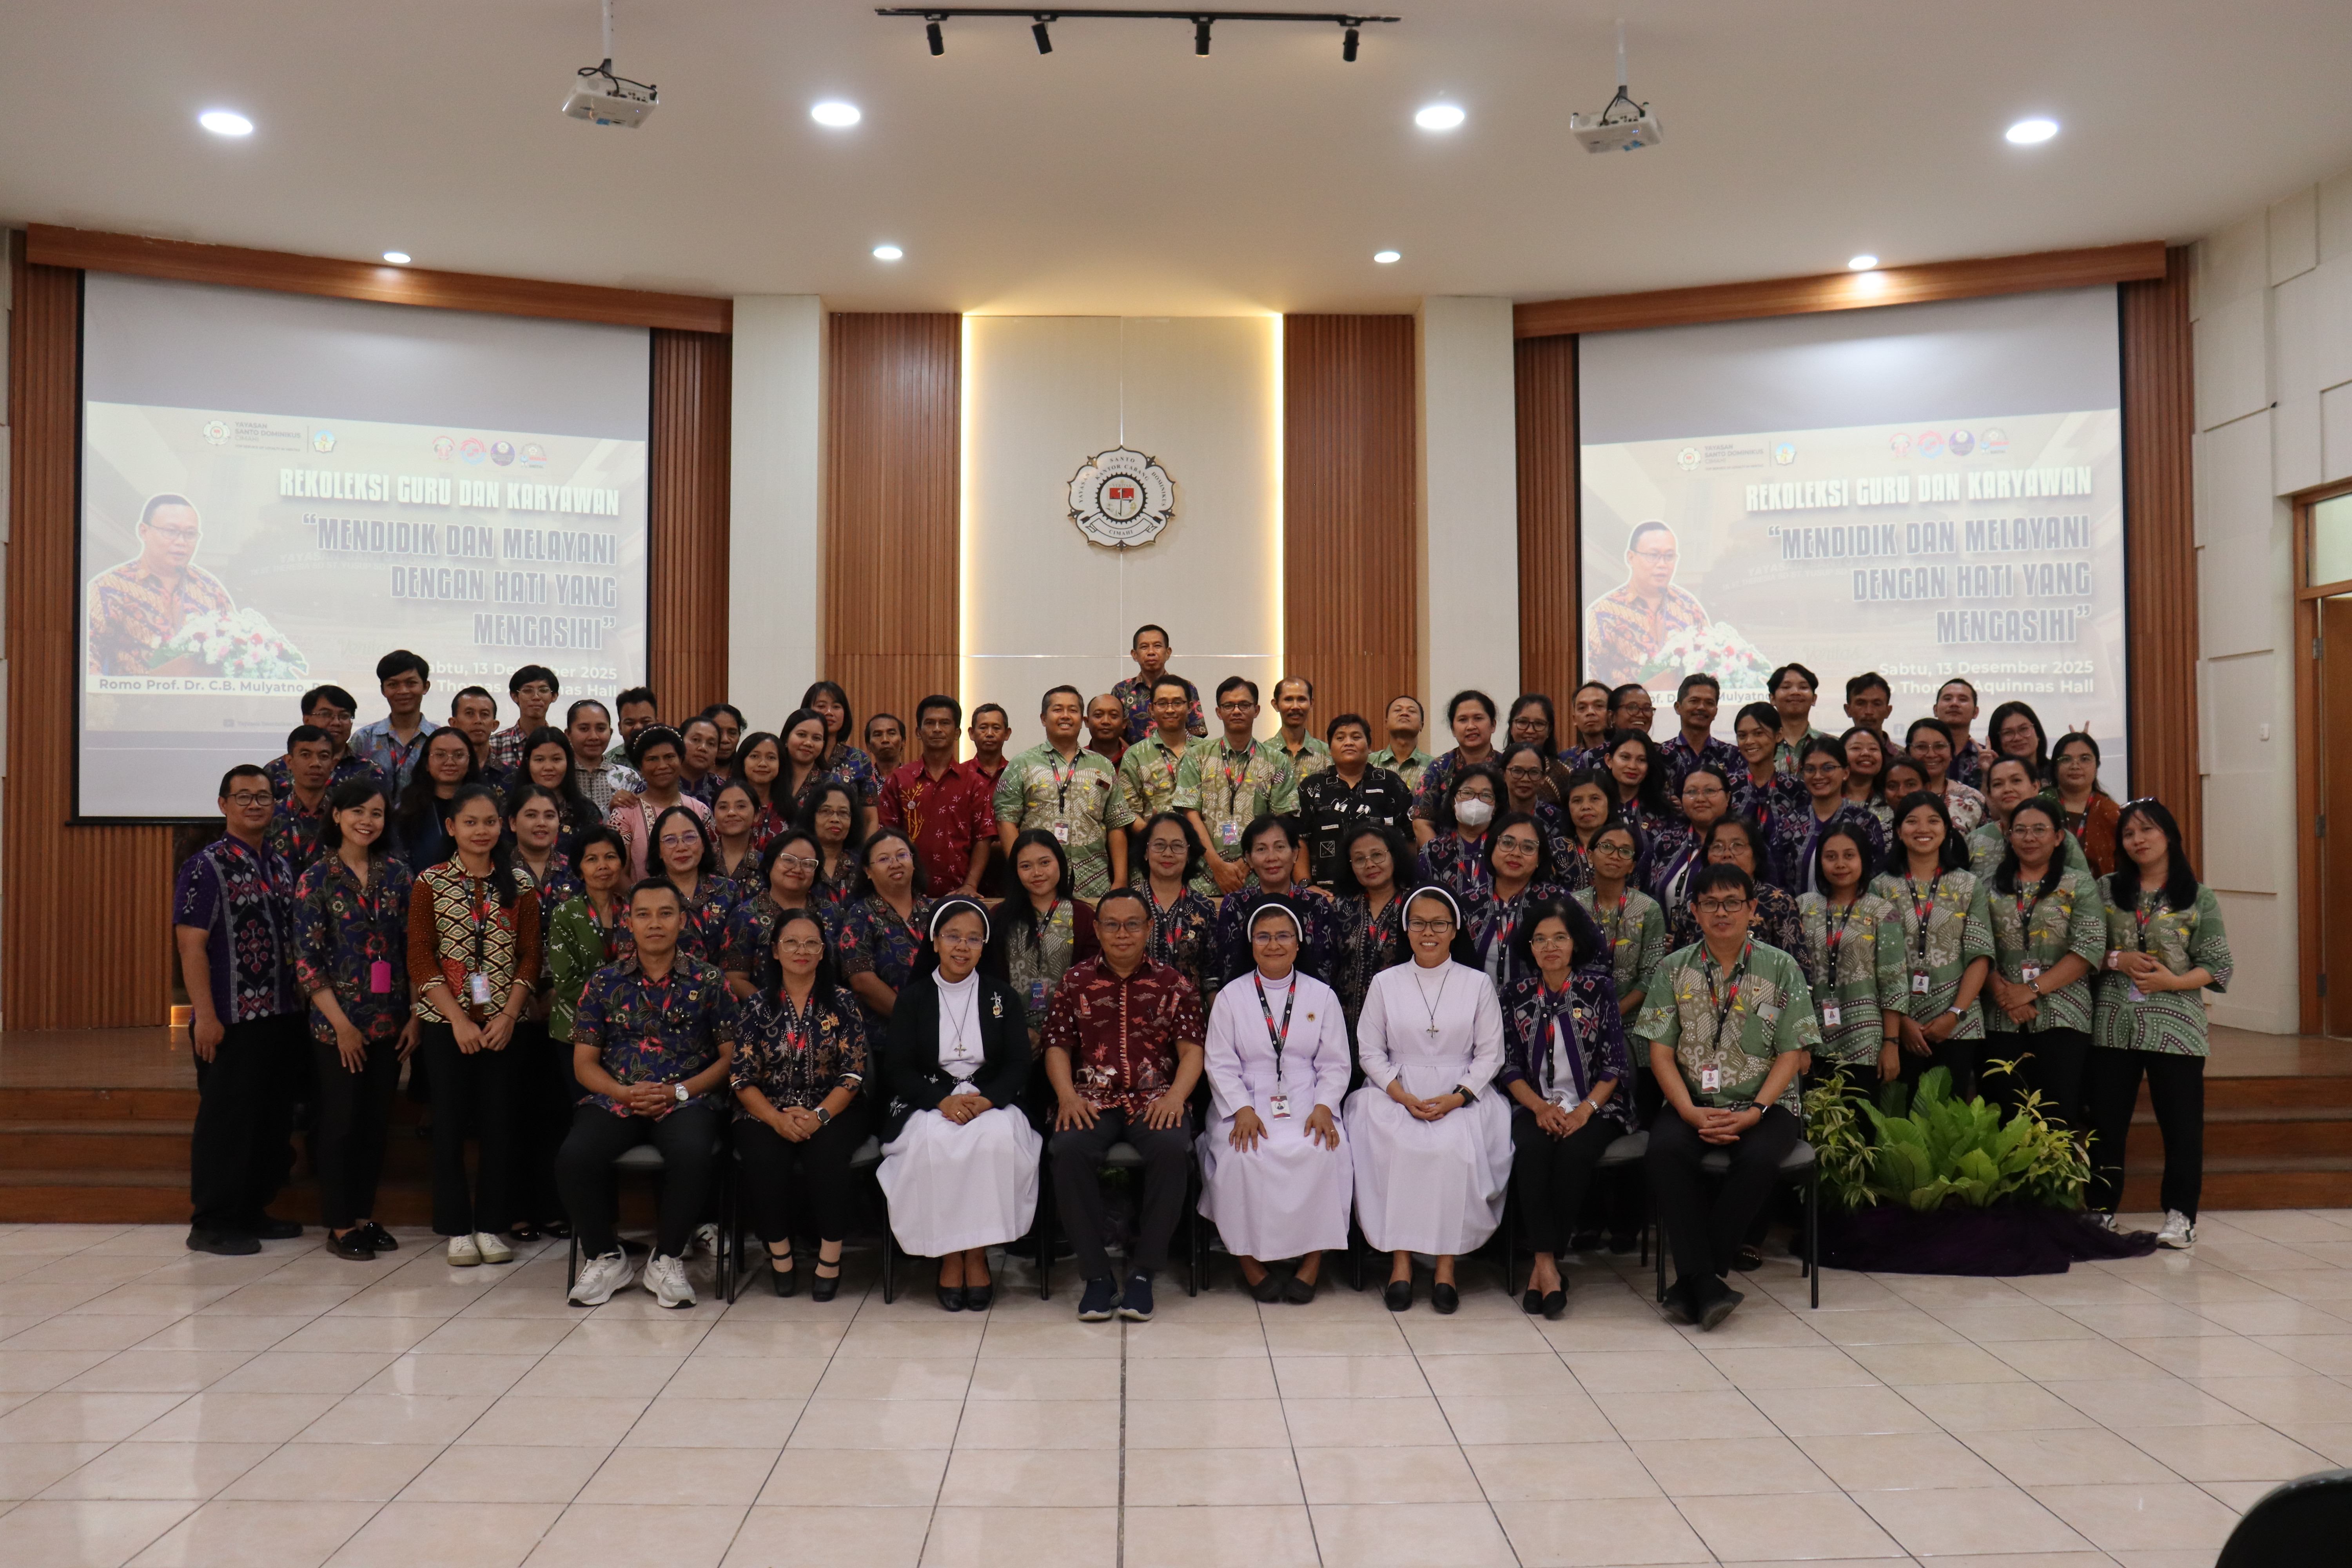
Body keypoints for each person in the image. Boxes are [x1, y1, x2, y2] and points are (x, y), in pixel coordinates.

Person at [1636, 864, 1817, 1330]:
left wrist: (1756, 1112)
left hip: (1767, 1104)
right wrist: (1689, 1111)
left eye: (1733, 902)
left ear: (1752, 909)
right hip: (1691, 1100)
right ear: (1694, 910)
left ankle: (1694, 1281)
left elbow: (1792, 1052)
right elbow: (1660, 1053)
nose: (1722, 912)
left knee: (1757, 1160)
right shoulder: (1673, 969)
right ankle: (1708, 1284)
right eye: (1711, 903)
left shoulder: (1782, 966)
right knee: (1664, 1150)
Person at [558, 878, 738, 1308]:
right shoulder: (603, 983)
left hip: (686, 1098)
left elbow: (732, 1058)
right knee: (575, 1156)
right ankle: (606, 1255)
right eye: (644, 914)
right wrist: (622, 1092)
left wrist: (679, 1091)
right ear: (630, 922)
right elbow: (583, 1064)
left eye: (665, 913)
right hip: (617, 1098)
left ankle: (668, 1257)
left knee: (694, 1153)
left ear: (682, 920)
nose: (655, 923)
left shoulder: (709, 979)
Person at [1042, 886, 1206, 1322]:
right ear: (1096, 929)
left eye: (1132, 924)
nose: (1122, 934)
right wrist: (1066, 1097)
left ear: (1149, 928)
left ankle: (1143, 1274)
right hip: (1090, 1098)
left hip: (1156, 1099)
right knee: (1068, 1150)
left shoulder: (1174, 984)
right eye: (1111, 924)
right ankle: (1097, 1277)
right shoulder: (1076, 981)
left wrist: (1176, 1096)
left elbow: (1192, 1051)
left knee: (1174, 1151)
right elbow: (1057, 1047)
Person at [1346, 886, 1512, 1313]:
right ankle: (1401, 1264)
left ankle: (1445, 1267)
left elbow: (1491, 1053)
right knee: (1397, 1147)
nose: (1429, 932)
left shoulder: (1477, 983)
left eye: (1439, 923)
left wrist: (1457, 1098)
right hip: (1396, 1089)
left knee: (1452, 1149)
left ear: (1455, 930)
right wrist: (1401, 1095)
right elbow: (1369, 1050)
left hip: (1460, 1092)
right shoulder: (1386, 982)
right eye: (1418, 923)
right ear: (1407, 928)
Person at [2086, 799, 2233, 1249]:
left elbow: (2218, 965)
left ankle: (2180, 1216)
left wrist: (2174, 980)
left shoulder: (2197, 895)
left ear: (2169, 835)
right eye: (2130, 834)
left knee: (2182, 1125)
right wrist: (2119, 958)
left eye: (2147, 831)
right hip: (2114, 1020)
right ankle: (2101, 1209)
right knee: (2107, 1122)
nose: (2138, 840)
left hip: (2177, 1024)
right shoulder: (2106, 889)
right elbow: (2087, 949)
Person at [878, 898, 1038, 1309]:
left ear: (985, 947)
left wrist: (987, 1101)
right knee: (933, 1146)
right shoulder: (913, 999)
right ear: (935, 942)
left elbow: (1020, 1062)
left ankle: (978, 1252)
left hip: (989, 1099)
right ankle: (951, 1254)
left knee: (997, 1142)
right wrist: (941, 1102)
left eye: (973, 938)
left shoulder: (1002, 996)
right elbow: (898, 1067)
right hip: (928, 1099)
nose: (962, 947)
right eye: (953, 936)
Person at [406, 782, 540, 1267]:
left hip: (506, 1026)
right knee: (450, 1126)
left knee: (501, 1125)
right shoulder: (431, 881)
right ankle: (457, 1228)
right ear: (451, 828)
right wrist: (458, 1019)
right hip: (449, 1026)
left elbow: (531, 955)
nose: (481, 831)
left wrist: (508, 1014)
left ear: (502, 826)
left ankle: (490, 1225)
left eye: (489, 822)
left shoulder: (520, 884)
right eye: (470, 822)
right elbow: (420, 958)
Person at [176, 765, 307, 1256]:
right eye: (244, 796)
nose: (255, 804)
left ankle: (253, 1209)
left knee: (271, 1120)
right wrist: (204, 1016)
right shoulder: (204, 866)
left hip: (280, 1015)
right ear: (223, 804)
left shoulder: (279, 863)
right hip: (229, 1018)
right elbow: (191, 946)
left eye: (264, 797)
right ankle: (212, 1221)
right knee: (227, 1121)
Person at [1198, 899, 1352, 1303]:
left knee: (1324, 1151)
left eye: (1283, 935)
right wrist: (1242, 1109)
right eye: (1263, 936)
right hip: (1246, 1097)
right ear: (1251, 944)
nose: (1273, 945)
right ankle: (1249, 1262)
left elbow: (1336, 1063)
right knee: (1241, 1156)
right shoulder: (1231, 997)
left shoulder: (1322, 995)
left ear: (1299, 943)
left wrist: (1324, 1106)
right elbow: (1219, 1061)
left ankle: (1312, 1262)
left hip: (1308, 1096)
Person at [292, 778, 417, 1261]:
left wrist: (416, 1020)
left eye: (378, 813)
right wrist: (341, 1025)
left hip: (390, 1023)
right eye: (358, 811)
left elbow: (413, 952)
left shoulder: (399, 875)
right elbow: (307, 960)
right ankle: (340, 1223)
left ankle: (364, 1216)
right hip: (336, 1027)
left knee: (374, 1124)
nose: (368, 820)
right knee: (341, 1123)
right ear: (338, 815)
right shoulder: (316, 877)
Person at [1497, 896, 1631, 1318]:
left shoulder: (1598, 988)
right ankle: (1548, 1266)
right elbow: (1510, 1065)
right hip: (1534, 1105)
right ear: (1530, 947)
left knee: (1574, 1152)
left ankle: (1542, 1267)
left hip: (1597, 1106)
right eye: (1540, 939)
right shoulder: (1514, 993)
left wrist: (1584, 1110)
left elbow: (1614, 1063)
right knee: (1532, 1151)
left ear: (1575, 943)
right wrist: (1539, 1107)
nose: (1550, 946)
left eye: (1560, 937)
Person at [732, 907, 871, 1300]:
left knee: (826, 1155)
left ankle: (830, 1256)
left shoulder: (842, 1002)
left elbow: (854, 1075)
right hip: (766, 1109)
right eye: (791, 942)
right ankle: (780, 1255)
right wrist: (777, 1120)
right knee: (763, 1156)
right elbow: (742, 1078)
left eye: (811, 942)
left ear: (823, 951)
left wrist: (818, 1116)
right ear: (775, 951)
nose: (802, 950)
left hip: (834, 1108)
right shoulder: (758, 1006)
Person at [1980, 798, 2106, 1129]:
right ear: (2008, 835)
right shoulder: (1988, 888)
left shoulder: (2079, 885)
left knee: (2058, 1115)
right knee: (2006, 1117)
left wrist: (2031, 990)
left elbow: (2089, 949)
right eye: (2020, 830)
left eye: (2040, 830)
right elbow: (1976, 947)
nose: (2029, 837)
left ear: (2059, 837)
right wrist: (2004, 992)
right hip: (2001, 1013)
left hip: (2064, 1014)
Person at [1871, 792, 1993, 1099]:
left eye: (1933, 821)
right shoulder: (1881, 887)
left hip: (1958, 1023)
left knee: (1949, 1123)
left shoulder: (1968, 885)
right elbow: (1874, 961)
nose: (1922, 829)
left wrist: (1955, 1014)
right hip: (1899, 1022)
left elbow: (1980, 955)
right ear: (1899, 831)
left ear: (1947, 829)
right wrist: (1902, 1024)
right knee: (1900, 1120)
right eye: (1912, 821)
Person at [998, 686, 1133, 901]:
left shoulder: (1103, 766)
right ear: (1044, 718)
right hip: (1037, 884)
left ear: (1082, 720)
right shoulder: (1021, 764)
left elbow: (1116, 825)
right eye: (1058, 710)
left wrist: (1120, 881)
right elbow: (1006, 821)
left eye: (1073, 710)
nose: (1066, 716)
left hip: (1094, 883)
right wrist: (1021, 873)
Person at [1795, 824, 1905, 1082]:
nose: (1840, 864)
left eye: (1849, 856)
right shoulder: (1803, 906)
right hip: (1810, 1035)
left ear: (1864, 860)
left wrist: (1891, 1043)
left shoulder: (1883, 911)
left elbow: (1893, 981)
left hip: (1865, 1039)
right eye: (1831, 857)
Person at [86, 491, 239, 676]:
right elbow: (86, 656)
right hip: (133, 703)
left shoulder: (211, 591)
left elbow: (236, 650)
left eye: (190, 534)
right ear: (144, 531)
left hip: (202, 704)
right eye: (171, 532)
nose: (181, 542)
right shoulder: (109, 588)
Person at [1176, 677, 1300, 897]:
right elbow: (1190, 814)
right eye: (1228, 706)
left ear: (1257, 710)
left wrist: (1247, 862)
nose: (1237, 711)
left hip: (1260, 879)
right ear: (1218, 712)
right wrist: (1217, 865)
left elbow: (1282, 819)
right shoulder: (1197, 757)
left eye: (1244, 705)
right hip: (1204, 877)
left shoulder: (1276, 761)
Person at [879, 695, 998, 897]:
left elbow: (983, 838)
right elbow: (886, 837)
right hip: (906, 894)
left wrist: (970, 885)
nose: (937, 729)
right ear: (918, 732)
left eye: (945, 723)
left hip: (960, 895)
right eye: (930, 723)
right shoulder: (899, 780)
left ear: (957, 733)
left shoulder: (974, 783)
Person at [1209, 816, 1334, 1001]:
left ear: (1295, 854)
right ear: (1249, 859)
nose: (1272, 858)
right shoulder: (1236, 905)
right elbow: (1227, 970)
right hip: (1246, 1005)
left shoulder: (1316, 905)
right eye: (1261, 849)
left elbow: (1326, 971)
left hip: (1307, 1006)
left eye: (1280, 847)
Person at [987, 829, 1100, 1029]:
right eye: (1026, 866)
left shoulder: (1083, 916)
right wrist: (1017, 1030)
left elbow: (1091, 982)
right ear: (1015, 871)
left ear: (1060, 863)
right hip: (1011, 1031)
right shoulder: (999, 916)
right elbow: (991, 981)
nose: (1037, 873)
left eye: (1045, 863)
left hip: (1070, 1032)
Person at [1295, 713, 1414, 889]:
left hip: (1385, 891)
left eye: (1356, 737)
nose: (1349, 743)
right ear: (1330, 749)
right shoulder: (1313, 786)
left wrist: (1406, 883)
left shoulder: (1390, 783)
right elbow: (1299, 840)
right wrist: (1305, 885)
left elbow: (1410, 837)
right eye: (1340, 738)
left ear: (1370, 747)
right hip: (1326, 894)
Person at [839, 827, 938, 1034]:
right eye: (884, 859)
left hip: (945, 1028)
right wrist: (914, 1018)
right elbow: (861, 980)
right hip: (886, 1035)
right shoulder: (860, 915)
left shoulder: (934, 912)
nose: (896, 864)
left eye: (902, 855)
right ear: (868, 871)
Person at [1588, 519, 1708, 685]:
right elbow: (1590, 680)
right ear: (1631, 558)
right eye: (1653, 556)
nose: (1662, 565)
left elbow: (1710, 664)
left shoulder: (1689, 608)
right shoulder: (1603, 613)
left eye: (1669, 557)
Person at [1770, 735, 1889, 896]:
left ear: (1846, 772)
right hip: (1794, 917)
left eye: (1828, 768)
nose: (1818, 776)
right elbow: (1775, 882)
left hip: (1853, 917)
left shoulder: (1865, 822)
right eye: (1810, 769)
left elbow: (1874, 881)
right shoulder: (1788, 824)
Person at [1668, 818, 1805, 957]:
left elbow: (1797, 967)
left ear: (1756, 855)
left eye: (1737, 846)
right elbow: (1679, 963)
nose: (1727, 854)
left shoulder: (1779, 902)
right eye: (1718, 847)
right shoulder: (1696, 900)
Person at [1331, 823, 1416, 1040]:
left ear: (1394, 857)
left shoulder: (1416, 905)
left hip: (1401, 1021)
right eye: (1360, 859)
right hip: (1343, 1021)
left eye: (1377, 855)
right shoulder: (1339, 908)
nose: (1370, 865)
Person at [1575, 820, 1665, 1021]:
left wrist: (1616, 1010)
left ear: (1633, 866)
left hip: (1630, 1020)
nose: (1615, 856)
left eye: (1625, 851)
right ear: (1591, 855)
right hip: (1577, 1013)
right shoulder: (1572, 906)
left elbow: (1653, 975)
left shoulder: (1649, 909)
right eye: (1607, 847)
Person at [723, 832, 829, 1000]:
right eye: (788, 860)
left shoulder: (834, 914)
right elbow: (735, 978)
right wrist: (775, 1011)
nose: (798, 869)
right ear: (769, 864)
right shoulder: (745, 916)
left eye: (808, 864)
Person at [1473, 812, 1570, 995]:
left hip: (1540, 1013)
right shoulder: (1468, 903)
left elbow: (1591, 958)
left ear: (1539, 859)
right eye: (1508, 843)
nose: (1516, 853)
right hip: (1473, 1012)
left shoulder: (1558, 901)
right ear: (1492, 846)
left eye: (1528, 847)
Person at [608, 726, 714, 882]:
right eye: (653, 759)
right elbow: (617, 874)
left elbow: (709, 866)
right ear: (640, 766)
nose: (663, 765)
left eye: (670, 757)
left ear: (681, 760)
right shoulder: (625, 814)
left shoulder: (701, 811)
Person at [1132, 812, 1219, 998]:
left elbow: (1211, 977)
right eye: (1160, 845)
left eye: (1177, 846)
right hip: (1136, 1013)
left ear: (1189, 854)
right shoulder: (1127, 903)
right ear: (1146, 852)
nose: (1168, 853)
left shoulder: (1204, 907)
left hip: (1188, 1014)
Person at [1967, 755, 2089, 880]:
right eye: (1998, 784)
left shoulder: (2059, 839)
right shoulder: (1974, 841)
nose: (2008, 789)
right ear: (1990, 794)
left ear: (2035, 787)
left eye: (2016, 781)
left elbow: (2084, 887)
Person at [1643, 764, 1731, 929]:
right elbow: (1637, 889)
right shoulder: (1665, 842)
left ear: (1728, 797)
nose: (1700, 799)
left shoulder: (1743, 844)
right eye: (1691, 792)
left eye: (1710, 791)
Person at [265, 685, 388, 800]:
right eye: (326, 715)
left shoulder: (370, 772)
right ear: (307, 720)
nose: (336, 722)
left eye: (344, 716)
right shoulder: (276, 770)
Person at [650, 805, 739, 963]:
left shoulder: (728, 890)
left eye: (690, 838)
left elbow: (740, 951)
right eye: (670, 840)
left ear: (704, 844)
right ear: (659, 851)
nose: (682, 848)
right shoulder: (644, 894)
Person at [1411, 690, 1501, 843]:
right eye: (1463, 720)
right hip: (1448, 857)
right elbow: (1422, 824)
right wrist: (1441, 858)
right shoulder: (1439, 768)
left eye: (1478, 719)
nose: (1471, 726)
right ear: (1453, 729)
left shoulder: (1508, 767)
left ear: (1493, 725)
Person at [351, 650, 440, 800]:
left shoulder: (441, 739)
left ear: (426, 687)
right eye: (393, 685)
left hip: (427, 822)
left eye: (411, 683)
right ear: (383, 690)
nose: (403, 691)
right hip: (374, 822)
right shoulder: (364, 739)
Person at [390, 728, 480, 871]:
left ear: (470, 762)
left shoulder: (485, 807)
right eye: (440, 755)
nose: (450, 762)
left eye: (459, 755)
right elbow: (399, 865)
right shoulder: (406, 810)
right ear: (426, 764)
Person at [1118, 675, 1200, 829]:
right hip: (1154, 847)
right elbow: (1128, 812)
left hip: (1203, 847)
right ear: (1151, 709)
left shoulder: (1207, 752)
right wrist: (1153, 835)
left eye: (1177, 703)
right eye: (1162, 704)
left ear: (1190, 707)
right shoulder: (1135, 755)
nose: (1170, 710)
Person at [801, 679, 882, 833]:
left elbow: (870, 819)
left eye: (836, 707)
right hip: (799, 848)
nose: (829, 712)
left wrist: (867, 856)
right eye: (821, 706)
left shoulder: (859, 759)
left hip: (847, 848)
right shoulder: (797, 753)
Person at [510, 727, 601, 857]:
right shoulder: (510, 808)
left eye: (556, 759)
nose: (548, 768)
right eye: (540, 760)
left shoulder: (587, 812)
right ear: (528, 762)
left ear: (568, 762)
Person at [1417, 764, 1501, 904]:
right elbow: (1421, 899)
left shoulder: (1504, 848)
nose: (1475, 801)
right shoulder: (1432, 850)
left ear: (1495, 808)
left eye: (1486, 795)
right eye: (1467, 793)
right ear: (1453, 802)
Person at [1728, 701, 1805, 849]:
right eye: (1742, 736)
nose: (1749, 742)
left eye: (1759, 734)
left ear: (1779, 735)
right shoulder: (1727, 786)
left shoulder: (1797, 789)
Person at [1111, 623, 1207, 741]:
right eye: (1144, 647)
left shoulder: (1186, 688)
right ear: (1135, 655)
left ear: (1168, 653)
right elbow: (1113, 735)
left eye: (1157, 646)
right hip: (1134, 758)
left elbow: (1197, 735)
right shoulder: (1121, 691)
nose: (1151, 652)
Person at [1497, 742, 1580, 877]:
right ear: (1503, 774)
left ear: (1543, 778)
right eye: (1517, 771)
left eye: (1534, 773)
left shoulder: (1557, 819)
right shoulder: (1492, 816)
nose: (1525, 779)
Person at [267, 723, 337, 874]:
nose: (315, 764)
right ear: (289, 762)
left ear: (333, 764)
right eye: (306, 755)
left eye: (324, 756)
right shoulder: (270, 815)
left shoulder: (345, 814)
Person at [2049, 732, 2122, 877]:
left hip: (2101, 896)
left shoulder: (2112, 813)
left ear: (2097, 767)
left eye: (2085, 759)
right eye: (2066, 759)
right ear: (2055, 767)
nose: (2075, 766)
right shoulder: (2039, 807)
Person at [1906, 717, 1989, 834]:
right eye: (1921, 747)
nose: (1931, 754)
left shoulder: (1973, 799)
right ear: (1908, 753)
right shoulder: (1894, 796)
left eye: (1939, 746)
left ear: (1951, 753)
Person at [1661, 674, 1741, 794]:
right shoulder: (1661, 755)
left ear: (1716, 711)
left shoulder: (1732, 755)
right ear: (1678, 708)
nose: (1702, 707)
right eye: (1694, 701)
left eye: (1709, 703)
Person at [508, 784, 583, 910]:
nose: (542, 823)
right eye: (531, 815)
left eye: (549, 816)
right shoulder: (499, 872)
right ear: (513, 823)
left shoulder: (576, 871)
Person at [566, 699, 644, 813]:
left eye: (601, 729)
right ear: (568, 734)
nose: (594, 737)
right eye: (584, 729)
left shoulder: (628, 778)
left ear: (611, 733)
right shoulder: (560, 776)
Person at [800, 782, 865, 914]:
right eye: (826, 811)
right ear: (812, 816)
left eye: (843, 813)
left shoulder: (864, 865)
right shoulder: (798, 861)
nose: (835, 819)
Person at [1604, 730, 1676, 841]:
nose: (1633, 766)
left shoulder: (1663, 811)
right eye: (1625, 758)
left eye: (1642, 760)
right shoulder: (1597, 805)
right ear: (1609, 761)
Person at [1506, 695, 1579, 801]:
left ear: (1549, 730)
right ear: (1511, 727)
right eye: (1522, 722)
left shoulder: (1565, 775)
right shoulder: (1498, 769)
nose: (1530, 730)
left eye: (1539, 724)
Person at [488, 665, 559, 775]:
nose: (536, 697)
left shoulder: (561, 744)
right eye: (527, 691)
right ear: (515, 696)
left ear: (554, 696)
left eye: (544, 690)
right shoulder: (495, 745)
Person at [732, 730, 791, 846]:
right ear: (742, 762)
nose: (763, 764)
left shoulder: (791, 813)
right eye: (755, 756)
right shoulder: (727, 807)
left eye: (771, 758)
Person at [1269, 676, 1331, 780]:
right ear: (1276, 705)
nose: (1295, 707)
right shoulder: (1263, 755)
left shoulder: (1327, 755)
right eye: (1288, 700)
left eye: (1302, 700)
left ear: (1311, 704)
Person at [1765, 663, 1823, 775]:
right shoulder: (1762, 746)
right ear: (1772, 699)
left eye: (1803, 688)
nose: (1795, 692)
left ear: (1814, 699)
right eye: (1786, 687)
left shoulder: (1831, 745)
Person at [1372, 694, 1436, 790]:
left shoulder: (1434, 767)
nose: (1404, 714)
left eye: (1412, 711)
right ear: (1387, 723)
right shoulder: (1369, 763)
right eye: (1398, 710)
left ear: (1422, 725)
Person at [709, 780, 766, 886]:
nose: (732, 813)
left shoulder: (767, 865)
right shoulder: (702, 860)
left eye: (741, 806)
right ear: (714, 815)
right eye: (723, 807)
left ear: (757, 815)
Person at [1935, 678, 1987, 789]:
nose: (1954, 704)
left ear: (1976, 712)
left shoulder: (1986, 757)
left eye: (1963, 700)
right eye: (1948, 699)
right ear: (1936, 710)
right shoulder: (1922, 755)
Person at [1987, 700, 2053, 786]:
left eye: (2024, 729)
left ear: (2038, 734)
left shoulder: (2057, 771)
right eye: (2008, 733)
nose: (2017, 738)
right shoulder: (1987, 775)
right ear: (1998, 741)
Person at [448, 686, 503, 782]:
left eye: (485, 714)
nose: (478, 721)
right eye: (470, 714)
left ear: (495, 725)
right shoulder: (445, 770)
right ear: (454, 723)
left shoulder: (512, 775)